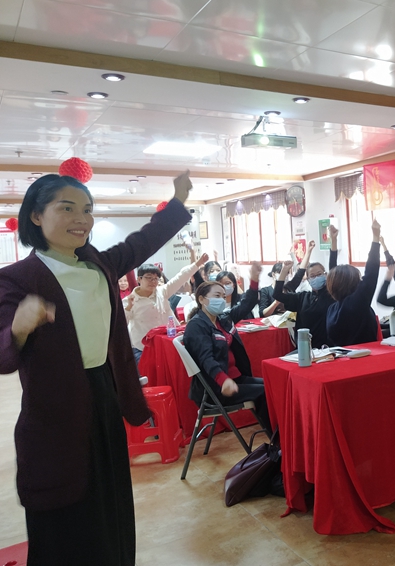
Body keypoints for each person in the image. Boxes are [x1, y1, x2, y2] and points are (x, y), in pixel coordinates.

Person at [0, 171, 193, 565]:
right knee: (64, 515)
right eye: (67, 208)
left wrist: (178, 201)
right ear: (35, 215)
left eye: (87, 210)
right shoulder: (15, 280)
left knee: (110, 506)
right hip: (55, 412)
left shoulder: (98, 265)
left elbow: (142, 242)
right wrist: (18, 328)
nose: (81, 219)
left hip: (104, 395)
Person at [182, 266, 271, 433]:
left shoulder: (223, 319)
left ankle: (279, 437)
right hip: (216, 387)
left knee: (272, 386)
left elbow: (246, 304)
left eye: (223, 296)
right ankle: (277, 440)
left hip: (235, 378)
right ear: (201, 299)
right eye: (217, 296)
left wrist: (254, 279)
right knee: (264, 392)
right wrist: (223, 380)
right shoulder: (196, 326)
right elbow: (206, 359)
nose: (222, 300)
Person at [125, 252, 208, 366]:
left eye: (156, 278)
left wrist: (197, 264)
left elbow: (180, 277)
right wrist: (129, 307)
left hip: (167, 343)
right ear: (139, 279)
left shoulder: (163, 291)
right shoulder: (129, 300)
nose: (153, 282)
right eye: (149, 278)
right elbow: (121, 324)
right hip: (142, 347)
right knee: (147, 374)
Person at [273, 228, 339, 349]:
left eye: (319, 274)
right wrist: (284, 271)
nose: (316, 277)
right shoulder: (303, 297)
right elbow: (277, 295)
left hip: (328, 348)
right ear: (307, 279)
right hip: (305, 348)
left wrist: (333, 241)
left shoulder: (332, 295)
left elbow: (333, 267)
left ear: (326, 275)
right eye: (312, 276)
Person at [326, 219, 381, 346]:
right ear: (352, 283)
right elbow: (371, 273)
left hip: (340, 355)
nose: (361, 281)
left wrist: (333, 242)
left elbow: (334, 275)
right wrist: (375, 238)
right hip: (363, 355)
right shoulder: (355, 304)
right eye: (359, 278)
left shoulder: (333, 308)